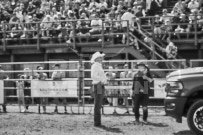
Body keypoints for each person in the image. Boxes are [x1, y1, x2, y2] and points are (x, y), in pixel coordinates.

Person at [91, 51, 107, 127]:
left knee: (98, 104)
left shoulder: (98, 65)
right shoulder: (95, 66)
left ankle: (97, 122)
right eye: (100, 57)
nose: (102, 58)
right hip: (98, 85)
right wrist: (101, 80)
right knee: (97, 104)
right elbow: (93, 76)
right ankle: (97, 122)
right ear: (97, 59)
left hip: (99, 85)